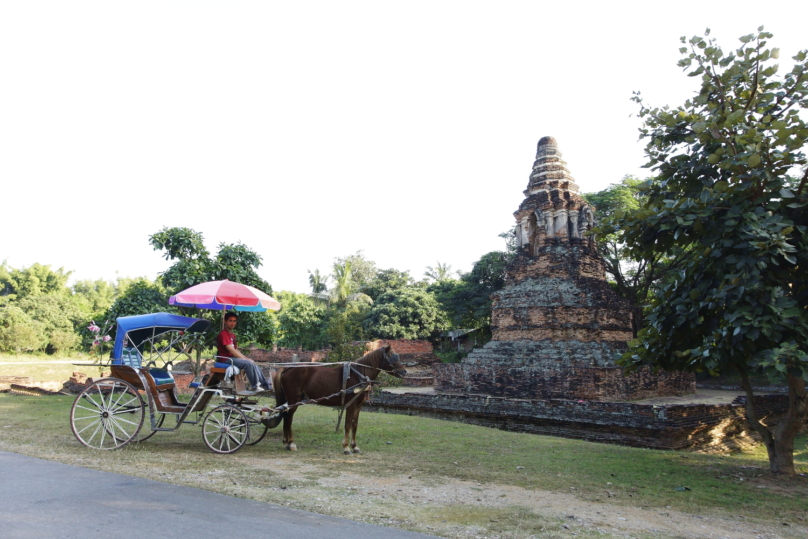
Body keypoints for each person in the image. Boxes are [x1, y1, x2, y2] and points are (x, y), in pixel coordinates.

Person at [216, 313, 271, 393]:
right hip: (225, 359)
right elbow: (232, 350)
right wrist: (246, 360)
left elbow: (236, 350)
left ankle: (265, 385)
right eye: (230, 321)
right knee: (248, 364)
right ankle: (255, 386)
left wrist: (246, 358)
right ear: (225, 321)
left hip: (233, 358)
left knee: (253, 363)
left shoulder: (232, 335)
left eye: (234, 321)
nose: (232, 323)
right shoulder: (223, 334)